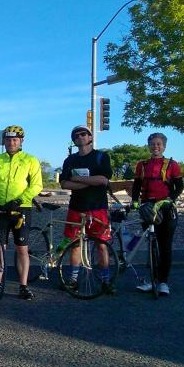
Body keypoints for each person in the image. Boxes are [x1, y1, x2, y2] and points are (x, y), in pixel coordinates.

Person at [0, 125, 42, 301]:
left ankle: (23, 286)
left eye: (15, 140)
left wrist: (20, 199)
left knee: (22, 248)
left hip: (21, 208)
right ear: (4, 141)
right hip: (0, 208)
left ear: (21, 141)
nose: (11, 143)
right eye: (8, 140)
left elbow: (37, 185)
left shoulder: (30, 160)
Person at [60, 125, 114, 294]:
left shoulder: (101, 157)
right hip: (76, 207)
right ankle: (73, 279)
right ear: (74, 141)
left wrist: (78, 179)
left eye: (84, 134)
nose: (80, 137)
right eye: (76, 135)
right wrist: (90, 182)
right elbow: (64, 183)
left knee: (101, 245)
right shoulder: (70, 160)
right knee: (74, 245)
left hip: (98, 208)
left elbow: (104, 180)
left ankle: (106, 281)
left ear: (90, 137)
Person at [131, 132, 183, 296]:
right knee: (151, 245)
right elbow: (137, 185)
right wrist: (134, 201)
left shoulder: (172, 164)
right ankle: (152, 279)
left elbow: (179, 186)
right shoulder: (142, 165)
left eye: (159, 144)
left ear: (164, 146)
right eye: (153, 144)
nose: (156, 147)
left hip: (166, 208)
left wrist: (170, 199)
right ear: (148, 146)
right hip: (147, 208)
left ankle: (163, 282)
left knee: (165, 245)